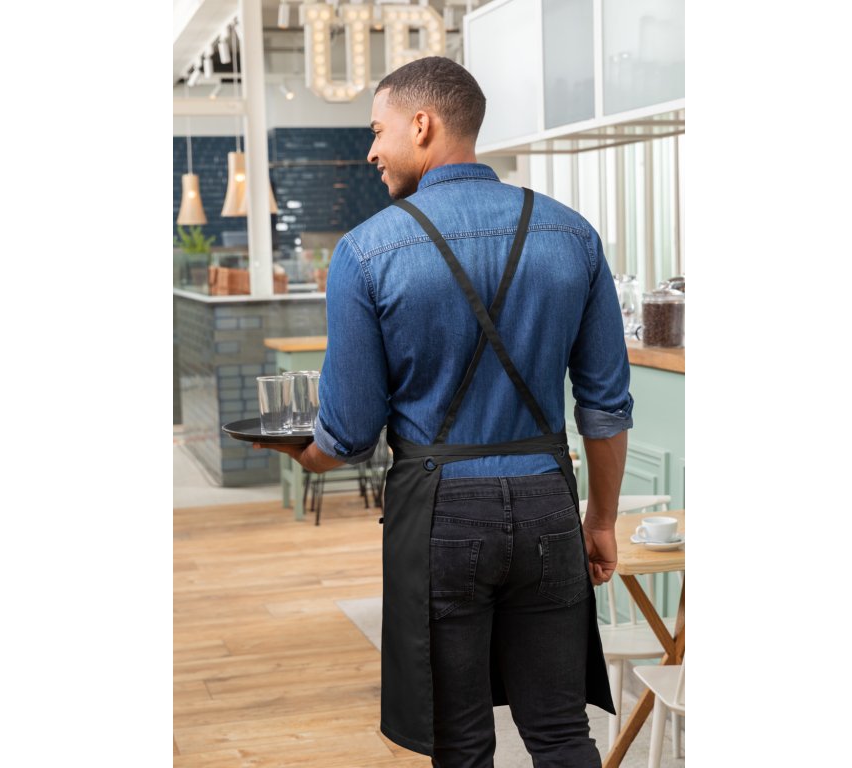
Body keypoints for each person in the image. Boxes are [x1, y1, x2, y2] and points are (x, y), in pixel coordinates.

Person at [254, 56, 633, 768]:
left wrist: (308, 456)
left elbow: (348, 433)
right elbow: (605, 407)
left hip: (439, 517)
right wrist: (602, 521)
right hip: (550, 507)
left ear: (422, 125)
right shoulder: (573, 235)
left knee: (460, 742)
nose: (371, 150)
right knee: (560, 732)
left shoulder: (366, 252)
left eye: (378, 130)